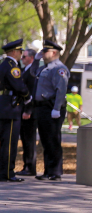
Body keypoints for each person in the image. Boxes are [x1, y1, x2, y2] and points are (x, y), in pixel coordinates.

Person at [0, 39, 31, 182]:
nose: (21, 54)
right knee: (10, 142)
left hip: (5, 105)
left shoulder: (3, 65)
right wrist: (28, 97)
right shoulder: (12, 66)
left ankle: (4, 172)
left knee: (5, 142)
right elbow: (19, 85)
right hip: (11, 107)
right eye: (20, 51)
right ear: (14, 52)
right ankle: (8, 173)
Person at [33, 39, 69, 181]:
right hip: (42, 107)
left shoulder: (59, 69)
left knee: (53, 139)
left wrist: (56, 108)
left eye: (45, 51)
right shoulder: (44, 67)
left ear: (54, 52)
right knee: (45, 140)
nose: (43, 53)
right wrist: (36, 60)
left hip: (52, 107)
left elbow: (61, 90)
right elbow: (32, 72)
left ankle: (56, 171)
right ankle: (48, 170)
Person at [17, 48, 38, 176]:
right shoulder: (25, 70)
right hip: (23, 110)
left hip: (29, 112)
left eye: (24, 57)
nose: (22, 59)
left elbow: (31, 93)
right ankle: (26, 165)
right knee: (25, 140)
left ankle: (30, 167)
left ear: (31, 58)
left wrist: (28, 110)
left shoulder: (32, 72)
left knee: (29, 140)